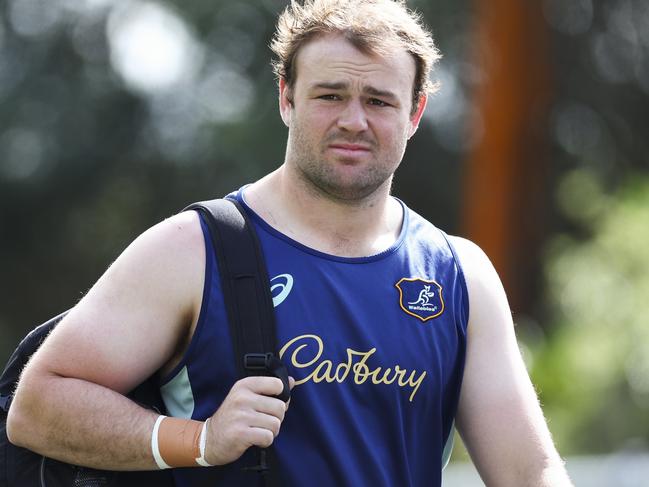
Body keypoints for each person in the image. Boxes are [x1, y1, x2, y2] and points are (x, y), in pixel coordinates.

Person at [7, 0, 574, 485]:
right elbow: (36, 406)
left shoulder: (458, 275)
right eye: (330, 95)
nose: (354, 120)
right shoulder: (193, 250)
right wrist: (198, 440)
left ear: (416, 112)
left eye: (379, 101)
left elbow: (529, 473)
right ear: (286, 98)